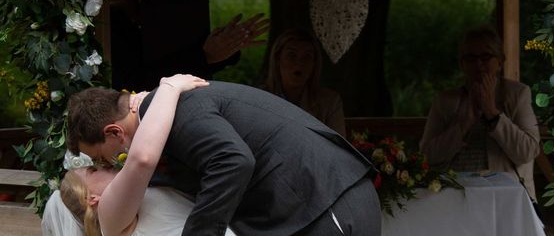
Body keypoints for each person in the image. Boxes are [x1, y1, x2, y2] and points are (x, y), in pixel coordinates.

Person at [66, 81, 381, 235]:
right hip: (318, 202)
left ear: (114, 133)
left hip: (326, 199)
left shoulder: (178, 111)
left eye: (103, 158)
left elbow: (233, 161)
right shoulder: (164, 113)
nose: (112, 164)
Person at [56, 73, 237, 236]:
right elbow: (142, 158)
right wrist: (168, 88)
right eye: (94, 169)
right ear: (92, 199)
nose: (104, 164)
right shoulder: (108, 218)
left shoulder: (140, 191)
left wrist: (144, 104)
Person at [107, 0, 269, 91]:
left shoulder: (160, 9)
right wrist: (204, 56)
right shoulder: (102, 25)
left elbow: (181, 52)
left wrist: (225, 45)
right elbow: (134, 82)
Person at [419, 26, 540, 200]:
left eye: (485, 56)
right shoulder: (445, 101)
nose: (478, 64)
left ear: (499, 62)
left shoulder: (517, 94)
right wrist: (462, 126)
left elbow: (528, 151)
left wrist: (492, 114)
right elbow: (426, 155)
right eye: (470, 58)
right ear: (462, 64)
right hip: (455, 195)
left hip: (505, 197)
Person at [265, 28, 346, 136]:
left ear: (314, 64)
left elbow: (338, 149)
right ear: (278, 59)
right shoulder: (260, 98)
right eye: (291, 55)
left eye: (307, 57)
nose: (299, 63)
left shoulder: (329, 102)